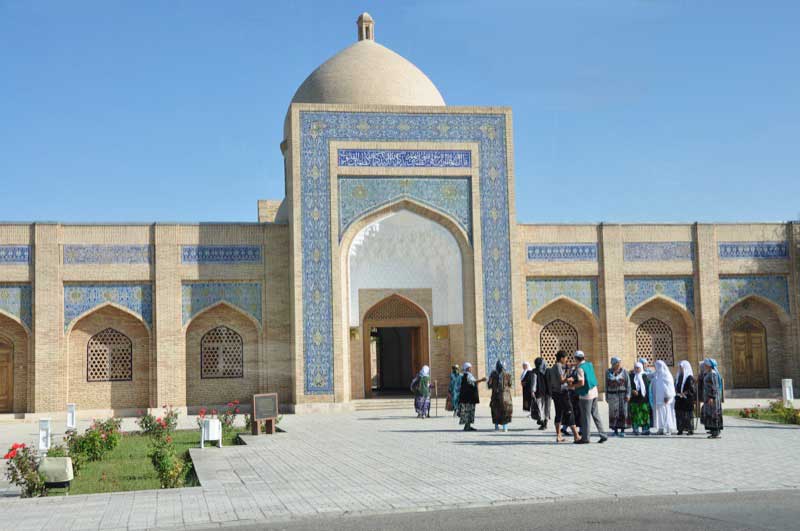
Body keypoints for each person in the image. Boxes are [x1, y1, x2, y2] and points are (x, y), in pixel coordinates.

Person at [569, 351, 608, 444]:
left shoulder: (580, 369)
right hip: (594, 392)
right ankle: (603, 434)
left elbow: (581, 383)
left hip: (586, 395)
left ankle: (585, 438)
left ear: (576, 358)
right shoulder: (589, 364)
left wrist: (572, 386)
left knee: (585, 417)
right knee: (596, 414)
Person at [546, 351, 579, 443]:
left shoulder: (554, 367)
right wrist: (569, 379)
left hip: (556, 393)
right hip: (562, 393)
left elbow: (566, 368)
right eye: (565, 358)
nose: (566, 360)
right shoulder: (558, 366)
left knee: (559, 413)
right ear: (561, 358)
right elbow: (561, 380)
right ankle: (576, 436)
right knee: (569, 412)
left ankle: (559, 436)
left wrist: (572, 366)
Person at [606, 357, 630, 437]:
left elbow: (628, 384)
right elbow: (606, 384)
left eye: (619, 362)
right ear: (613, 363)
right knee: (614, 412)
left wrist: (628, 394)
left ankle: (623, 430)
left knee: (623, 412)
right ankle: (615, 430)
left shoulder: (624, 372)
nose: (619, 364)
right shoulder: (608, 372)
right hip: (612, 395)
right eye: (617, 362)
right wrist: (607, 396)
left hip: (622, 395)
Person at [650, 360, 677, 435]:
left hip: (665, 399)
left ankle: (668, 429)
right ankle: (661, 428)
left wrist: (667, 396)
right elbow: (650, 376)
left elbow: (669, 386)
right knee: (659, 414)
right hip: (658, 398)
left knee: (666, 413)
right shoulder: (657, 374)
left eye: (657, 366)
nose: (656, 368)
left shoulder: (666, 375)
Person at [458, 362, 486, 431]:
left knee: (468, 412)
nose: (471, 368)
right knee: (468, 411)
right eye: (470, 367)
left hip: (466, 397)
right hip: (468, 397)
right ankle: (467, 426)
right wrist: (482, 380)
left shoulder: (465, 375)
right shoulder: (467, 375)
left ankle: (467, 426)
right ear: (467, 368)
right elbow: (474, 382)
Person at [487, 360, 513, 431]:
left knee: (495, 410)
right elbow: (510, 384)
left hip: (495, 396)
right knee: (505, 410)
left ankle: (496, 426)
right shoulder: (508, 375)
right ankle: (505, 427)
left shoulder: (493, 374)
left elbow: (489, 385)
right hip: (505, 397)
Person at [701, 358, 724, 439]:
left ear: (709, 366)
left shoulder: (713, 374)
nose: (704, 366)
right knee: (711, 413)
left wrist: (711, 397)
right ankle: (713, 430)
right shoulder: (709, 373)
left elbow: (714, 386)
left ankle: (715, 432)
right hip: (709, 397)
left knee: (714, 414)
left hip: (712, 398)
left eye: (706, 365)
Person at [674, 360, 696, 435]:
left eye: (681, 367)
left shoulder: (689, 377)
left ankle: (690, 429)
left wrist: (684, 393)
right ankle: (680, 429)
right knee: (679, 414)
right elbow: (676, 386)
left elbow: (692, 389)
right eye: (680, 367)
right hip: (679, 399)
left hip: (687, 400)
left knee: (688, 415)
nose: (680, 369)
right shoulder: (679, 376)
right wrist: (677, 392)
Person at [629, 362, 651, 436]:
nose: (636, 369)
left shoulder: (644, 376)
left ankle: (645, 430)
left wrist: (641, 392)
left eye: (638, 368)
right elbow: (629, 385)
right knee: (635, 413)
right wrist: (632, 390)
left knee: (644, 413)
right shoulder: (631, 376)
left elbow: (646, 386)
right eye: (635, 368)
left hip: (643, 399)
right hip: (634, 398)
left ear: (641, 368)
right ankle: (635, 429)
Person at [530, 357, 551, 430]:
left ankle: (542, 422)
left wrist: (533, 391)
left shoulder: (535, 371)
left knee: (540, 408)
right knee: (546, 408)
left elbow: (534, 382)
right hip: (547, 392)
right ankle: (545, 422)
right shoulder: (548, 371)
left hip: (540, 392)